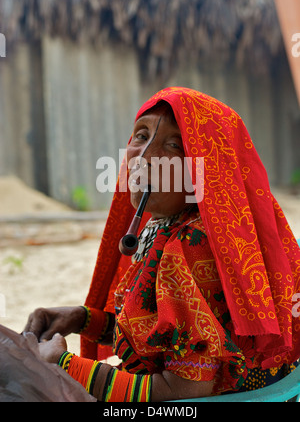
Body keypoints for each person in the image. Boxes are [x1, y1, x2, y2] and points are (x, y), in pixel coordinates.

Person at [24, 87, 300, 402]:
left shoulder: (191, 245)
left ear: (207, 167)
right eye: (140, 137)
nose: (145, 157)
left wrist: (62, 364)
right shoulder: (176, 227)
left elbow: (183, 388)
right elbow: (163, 336)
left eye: (173, 144)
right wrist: (81, 318)